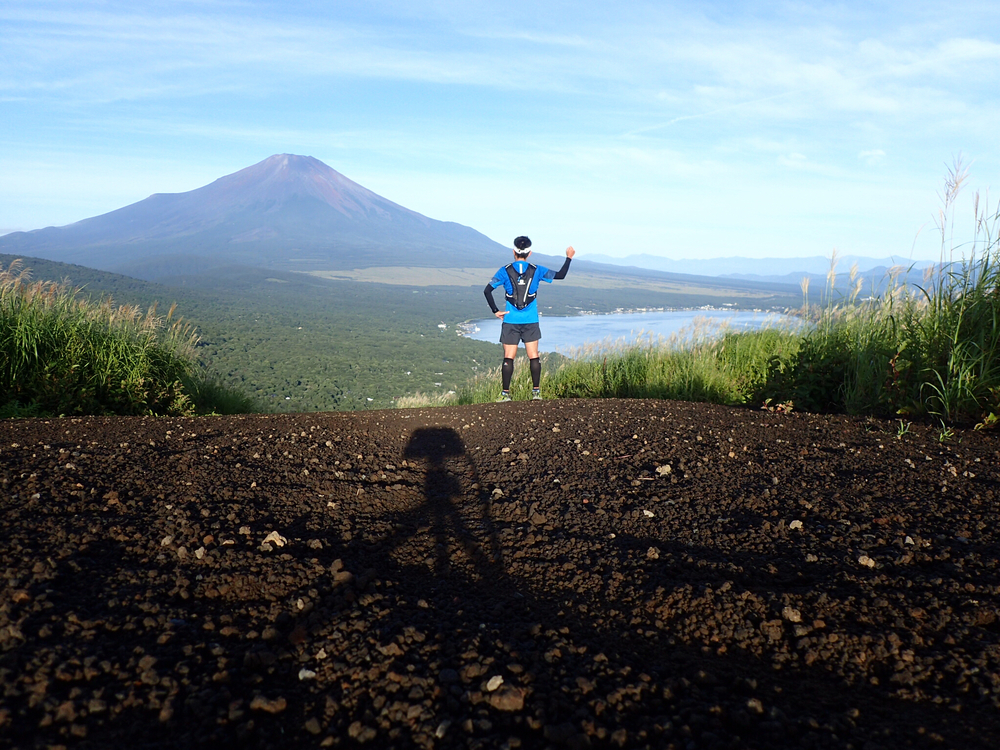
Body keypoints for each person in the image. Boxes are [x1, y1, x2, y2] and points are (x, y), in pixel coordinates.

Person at [484, 236, 575, 401]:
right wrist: (569, 257)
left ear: (514, 251)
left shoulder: (504, 270)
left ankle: (505, 394)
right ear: (529, 253)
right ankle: (536, 393)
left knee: (508, 357)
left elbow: (487, 291)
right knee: (533, 356)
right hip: (531, 320)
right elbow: (561, 275)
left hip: (510, 320)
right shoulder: (537, 269)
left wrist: (496, 311)